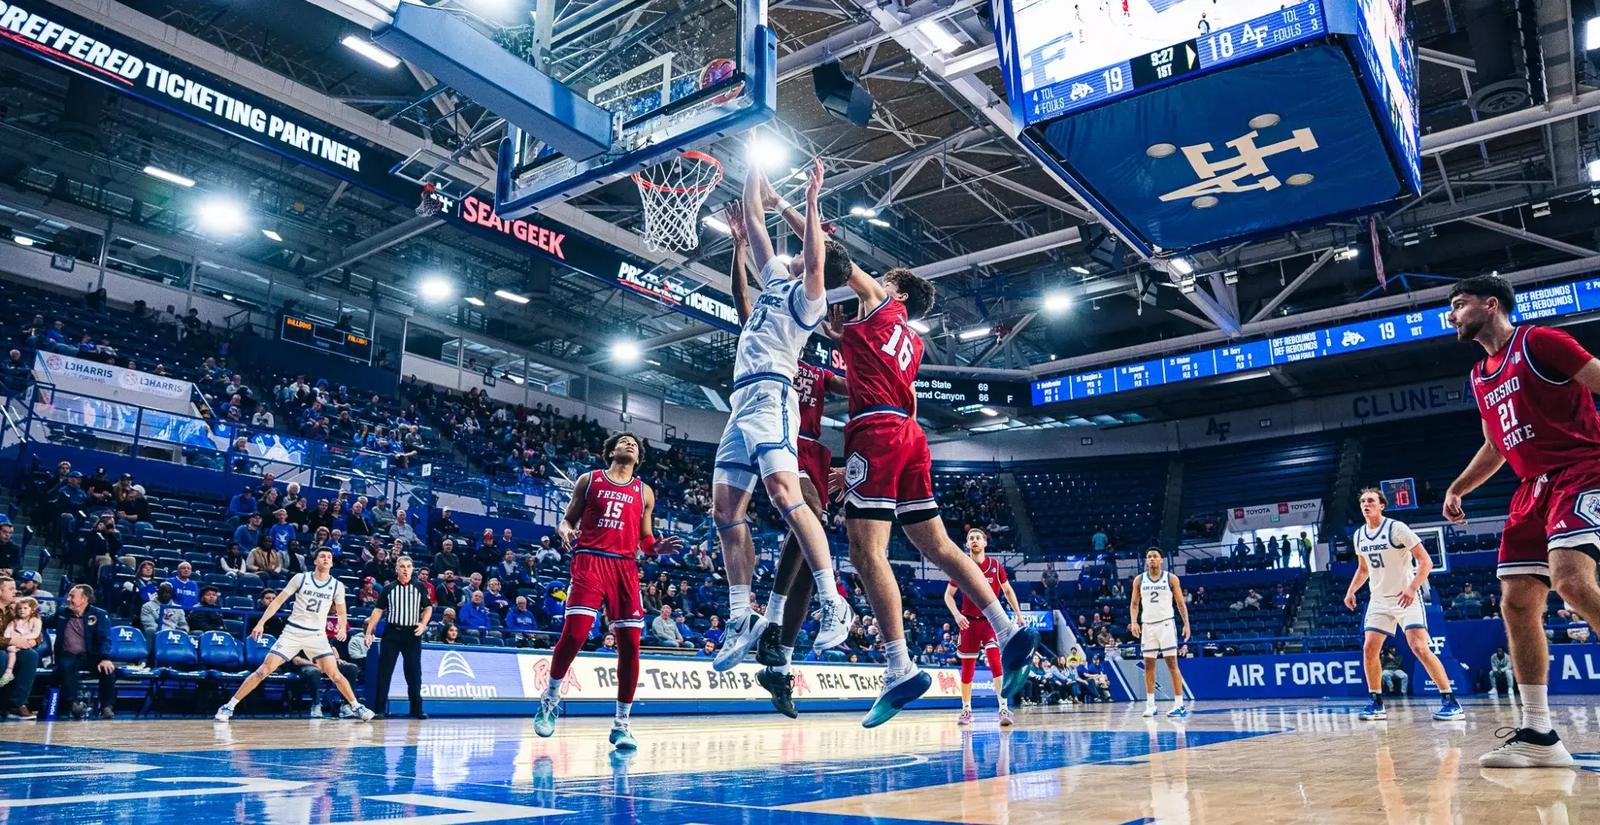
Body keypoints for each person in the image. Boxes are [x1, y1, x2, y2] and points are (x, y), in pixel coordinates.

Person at [826, 253, 1038, 727]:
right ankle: (1006, 628)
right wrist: (845, 342)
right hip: (908, 434)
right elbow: (894, 390)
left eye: (884, 283)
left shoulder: (884, 305)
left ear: (898, 294)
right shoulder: (911, 344)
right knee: (938, 545)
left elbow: (842, 266)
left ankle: (899, 666)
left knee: (867, 553)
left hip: (876, 431)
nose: (874, 287)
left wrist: (791, 211)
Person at [1444, 274, 1600, 767]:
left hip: (1583, 466)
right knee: (1516, 602)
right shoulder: (1480, 375)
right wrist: (1458, 487)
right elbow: (1495, 445)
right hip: (1531, 486)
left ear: (1491, 305)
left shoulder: (1540, 341)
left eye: (1459, 304)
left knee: (1571, 582)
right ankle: (1538, 733)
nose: (1453, 314)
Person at [709, 158, 852, 676]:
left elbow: (817, 263)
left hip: (772, 395)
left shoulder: (806, 302)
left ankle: (832, 599)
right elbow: (751, 213)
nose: (788, 256)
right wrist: (751, 155)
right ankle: (739, 617)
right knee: (724, 512)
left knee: (787, 497)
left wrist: (811, 200)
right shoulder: (772, 282)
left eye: (802, 255)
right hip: (740, 402)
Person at [533, 432, 681, 751]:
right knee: (575, 634)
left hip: (625, 568)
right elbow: (566, 521)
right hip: (590, 560)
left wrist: (657, 548)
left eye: (635, 444)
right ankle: (550, 698)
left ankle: (622, 725)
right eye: (624, 441)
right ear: (610, 451)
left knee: (630, 645)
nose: (630, 444)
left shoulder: (645, 492)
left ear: (638, 458)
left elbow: (645, 539)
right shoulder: (589, 480)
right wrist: (566, 532)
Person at [215, 548, 375, 721]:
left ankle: (356, 706)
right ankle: (228, 706)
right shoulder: (301, 578)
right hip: (293, 632)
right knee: (264, 670)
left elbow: (342, 612)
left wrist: (342, 628)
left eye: (329, 557)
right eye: (322, 556)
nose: (326, 559)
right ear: (315, 561)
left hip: (316, 635)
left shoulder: (337, 585)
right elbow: (278, 601)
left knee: (335, 674)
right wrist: (261, 623)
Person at [943, 527, 1021, 726]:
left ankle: (1003, 708)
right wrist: (957, 615)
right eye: (971, 538)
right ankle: (966, 710)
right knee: (967, 668)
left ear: (985, 543)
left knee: (995, 661)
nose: (975, 540)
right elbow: (948, 596)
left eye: (978, 537)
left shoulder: (995, 566)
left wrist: (1019, 614)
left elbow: (1008, 591)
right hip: (968, 622)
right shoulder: (961, 567)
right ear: (967, 544)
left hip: (990, 621)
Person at [364, 555, 432, 720]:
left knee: (414, 673)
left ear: (412, 569)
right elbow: (378, 610)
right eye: (402, 566)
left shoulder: (419, 587)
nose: (406, 569)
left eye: (409, 566)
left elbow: (428, 607)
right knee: (384, 672)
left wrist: (423, 624)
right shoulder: (388, 589)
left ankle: (416, 709)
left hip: (412, 634)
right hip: (392, 632)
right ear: (397, 569)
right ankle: (379, 710)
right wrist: (369, 632)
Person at [1130, 548, 1192, 718]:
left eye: (1155, 556)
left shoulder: (1171, 578)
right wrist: (1134, 622)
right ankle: (1150, 705)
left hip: (1166, 624)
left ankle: (1179, 704)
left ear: (1161, 560)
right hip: (1148, 625)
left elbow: (1180, 603)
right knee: (1148, 665)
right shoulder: (1139, 580)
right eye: (1149, 556)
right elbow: (1134, 604)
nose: (1152, 559)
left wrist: (1186, 624)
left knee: (1172, 663)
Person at [50, 585, 118, 719]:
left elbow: (105, 638)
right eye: (68, 596)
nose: (68, 599)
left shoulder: (99, 614)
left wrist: (105, 658)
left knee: (108, 670)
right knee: (65, 665)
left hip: (91, 656)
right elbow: (44, 622)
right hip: (68, 655)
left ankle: (107, 707)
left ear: (84, 599)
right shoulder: (62, 613)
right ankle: (73, 704)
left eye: (72, 596)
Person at [0, 596, 41, 688]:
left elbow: (37, 635)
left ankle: (19, 701)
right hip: (6, 645)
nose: (21, 611)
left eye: (25, 608)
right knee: (3, 654)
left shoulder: (34, 620)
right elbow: (7, 634)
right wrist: (12, 640)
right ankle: (8, 672)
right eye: (19, 608)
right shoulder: (12, 620)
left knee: (31, 655)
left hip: (19, 644)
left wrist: (32, 641)